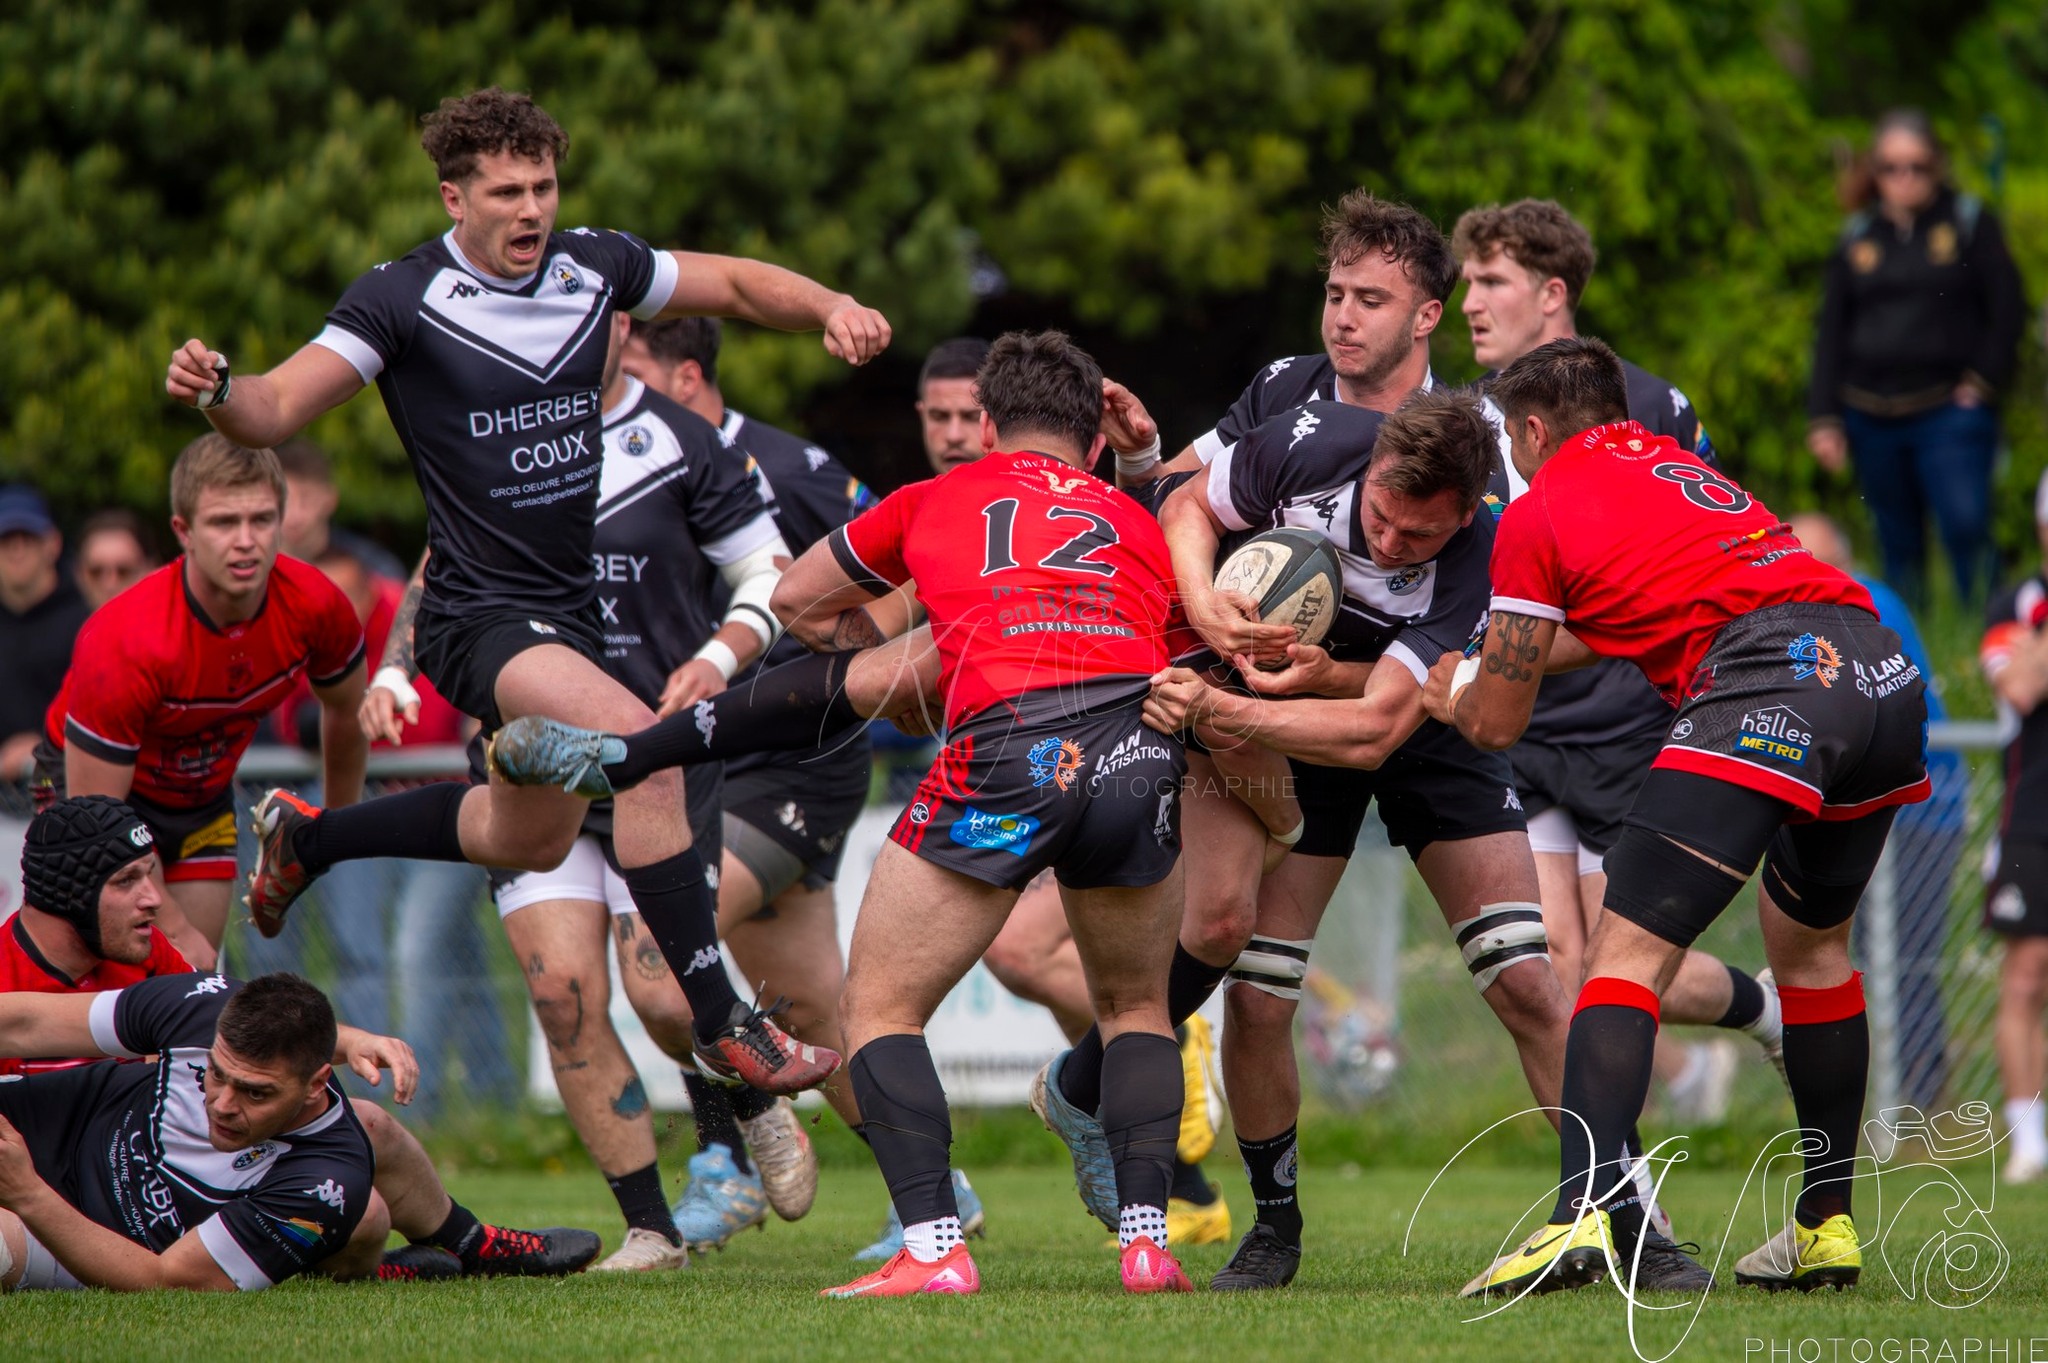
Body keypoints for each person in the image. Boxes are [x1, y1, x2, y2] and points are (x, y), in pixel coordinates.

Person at [163, 87, 888, 1095]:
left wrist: (830, 306)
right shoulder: (400, 298)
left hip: (565, 618)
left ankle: (309, 833)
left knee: (526, 833)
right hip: (475, 615)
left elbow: (727, 283)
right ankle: (723, 1022)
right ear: (452, 196)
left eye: (542, 185)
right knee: (646, 756)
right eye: (505, 191)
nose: (530, 209)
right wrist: (216, 389)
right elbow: (276, 404)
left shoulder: (594, 266)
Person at [1087, 196, 1670, 1293]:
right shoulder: (1291, 407)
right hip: (1294, 707)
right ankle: (1271, 1224)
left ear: (1426, 315)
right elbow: (1179, 501)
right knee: (1258, 987)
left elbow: (1513, 639)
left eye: (1370, 300)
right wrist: (1208, 609)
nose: (1343, 320)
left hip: (1417, 711)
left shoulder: (1492, 463)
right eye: (1334, 295)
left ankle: (1624, 1218)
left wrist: (1235, 704)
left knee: (1528, 982)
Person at [1439, 336, 1928, 1298]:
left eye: (1511, 438)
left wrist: (1444, 691)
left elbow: (1496, 722)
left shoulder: (1537, 512)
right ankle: (1826, 1226)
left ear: (1534, 429)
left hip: (1766, 683)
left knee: (1620, 962)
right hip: (1876, 672)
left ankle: (1580, 1214)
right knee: (1813, 949)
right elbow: (1632, 615)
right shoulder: (1679, 468)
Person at [621, 318, 990, 1261]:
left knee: (666, 956)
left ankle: (734, 1142)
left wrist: (880, 661)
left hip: (796, 758)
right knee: (818, 1013)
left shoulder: (785, 466)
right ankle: (934, 1185)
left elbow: (910, 558)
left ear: (688, 377)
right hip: (704, 758)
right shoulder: (620, 465)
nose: (613, 393)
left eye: (632, 373)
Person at [470, 308, 799, 1271]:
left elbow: (768, 577)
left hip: (653, 755)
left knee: (664, 994)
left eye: (590, 318)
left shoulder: (687, 442)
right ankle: (652, 1228)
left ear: (620, 327)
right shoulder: (494, 431)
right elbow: (442, 570)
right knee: (564, 997)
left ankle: (752, 1097)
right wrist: (405, 673)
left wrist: (712, 659)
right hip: (531, 755)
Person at [1452, 199, 1782, 1122]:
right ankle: (1619, 1192)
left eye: (1491, 281)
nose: (1469, 301)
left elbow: (1702, 550)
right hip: (1520, 721)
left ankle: (1765, 1012)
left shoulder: (1653, 404)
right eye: (1466, 280)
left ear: (1553, 293)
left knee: (1618, 963)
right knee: (1550, 961)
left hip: (1621, 719)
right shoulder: (1460, 417)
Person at [0, 795, 597, 1285]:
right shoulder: (139, 993)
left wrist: (354, 1038)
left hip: (81, 1207)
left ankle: (469, 1245)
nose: (155, 899)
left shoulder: (158, 965)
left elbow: (242, 1024)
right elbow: (34, 1023)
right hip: (54, 1156)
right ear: (71, 893)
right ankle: (320, 1264)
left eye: (148, 877)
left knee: (363, 1203)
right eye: (127, 881)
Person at [34, 437, 369, 968]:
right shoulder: (126, 640)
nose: (245, 541)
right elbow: (98, 820)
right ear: (183, 532)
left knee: (190, 977)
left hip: (199, 797)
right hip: (87, 794)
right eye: (222, 523)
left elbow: (348, 711)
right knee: (110, 973)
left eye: (261, 520)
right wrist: (172, 925)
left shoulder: (316, 605)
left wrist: (337, 828)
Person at [247, 541, 516, 1119]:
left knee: (424, 947)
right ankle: (374, 1100)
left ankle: (436, 1105)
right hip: (368, 805)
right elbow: (297, 719)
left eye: (354, 595)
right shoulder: (311, 623)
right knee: (363, 951)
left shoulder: (413, 611)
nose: (343, 605)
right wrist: (349, 708)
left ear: (374, 587)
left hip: (446, 804)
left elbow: (441, 710)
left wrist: (385, 694)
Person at [1807, 108, 2026, 607]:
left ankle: (1988, 625)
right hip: (1871, 411)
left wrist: (1985, 380)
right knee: (1897, 542)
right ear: (1875, 171)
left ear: (1937, 165)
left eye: (1916, 166)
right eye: (1890, 167)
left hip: (1949, 408)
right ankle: (1910, 646)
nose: (1904, 179)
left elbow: (2009, 306)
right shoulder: (1857, 236)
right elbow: (1832, 331)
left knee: (1966, 524)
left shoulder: (1968, 222)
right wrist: (1824, 416)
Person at [1792, 511, 1962, 1111]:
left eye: (1812, 558)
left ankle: (1921, 1106)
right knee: (1860, 958)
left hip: (1920, 811)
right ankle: (1888, 1103)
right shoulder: (1818, 611)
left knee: (1907, 960)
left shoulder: (1866, 602)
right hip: (1870, 806)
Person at [1978, 473, 2048, 1186]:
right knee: (2026, 975)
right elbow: (2023, 684)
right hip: (2034, 816)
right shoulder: (2017, 604)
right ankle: (2029, 1139)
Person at [0, 486, 91, 784]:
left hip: (64, 792)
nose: (16, 549)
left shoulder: (86, 620)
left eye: (28, 538)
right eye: (6, 540)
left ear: (52, 543)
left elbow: (101, 714)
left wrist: (43, 743)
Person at [273, 439, 408, 582]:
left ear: (330, 499)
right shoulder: (255, 568)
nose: (295, 516)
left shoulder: (376, 569)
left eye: (307, 500)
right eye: (284, 501)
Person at [915, 337, 994, 474]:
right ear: (922, 416)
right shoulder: (901, 496)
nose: (954, 436)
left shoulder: (1039, 493)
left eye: (972, 417)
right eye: (939, 417)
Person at [72, 508, 160, 612]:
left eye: (124, 572)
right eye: (96, 573)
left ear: (150, 572)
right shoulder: (60, 627)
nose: (109, 585)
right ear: (79, 575)